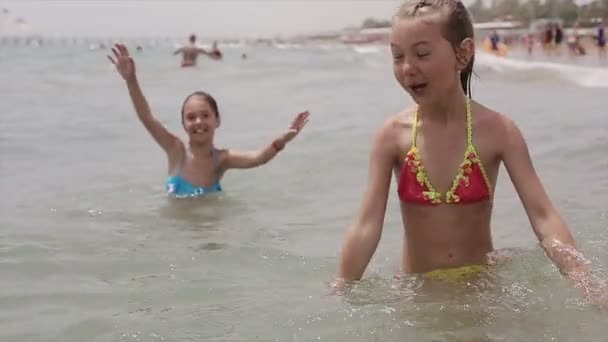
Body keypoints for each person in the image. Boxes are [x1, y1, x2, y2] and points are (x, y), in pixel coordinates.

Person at [333, 0, 607, 307]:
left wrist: (583, 278)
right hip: (419, 294)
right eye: (397, 56)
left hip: (482, 291)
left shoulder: (499, 131)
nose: (408, 68)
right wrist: (341, 288)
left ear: (462, 53)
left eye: (422, 54)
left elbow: (543, 216)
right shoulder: (392, 136)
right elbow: (367, 225)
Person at [107, 43, 310, 198]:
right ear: (184, 124)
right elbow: (146, 117)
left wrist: (281, 141)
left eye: (205, 115)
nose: (198, 122)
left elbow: (258, 158)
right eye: (191, 117)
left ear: (217, 121)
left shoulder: (221, 160)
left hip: (209, 232)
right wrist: (131, 80)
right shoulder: (175, 151)